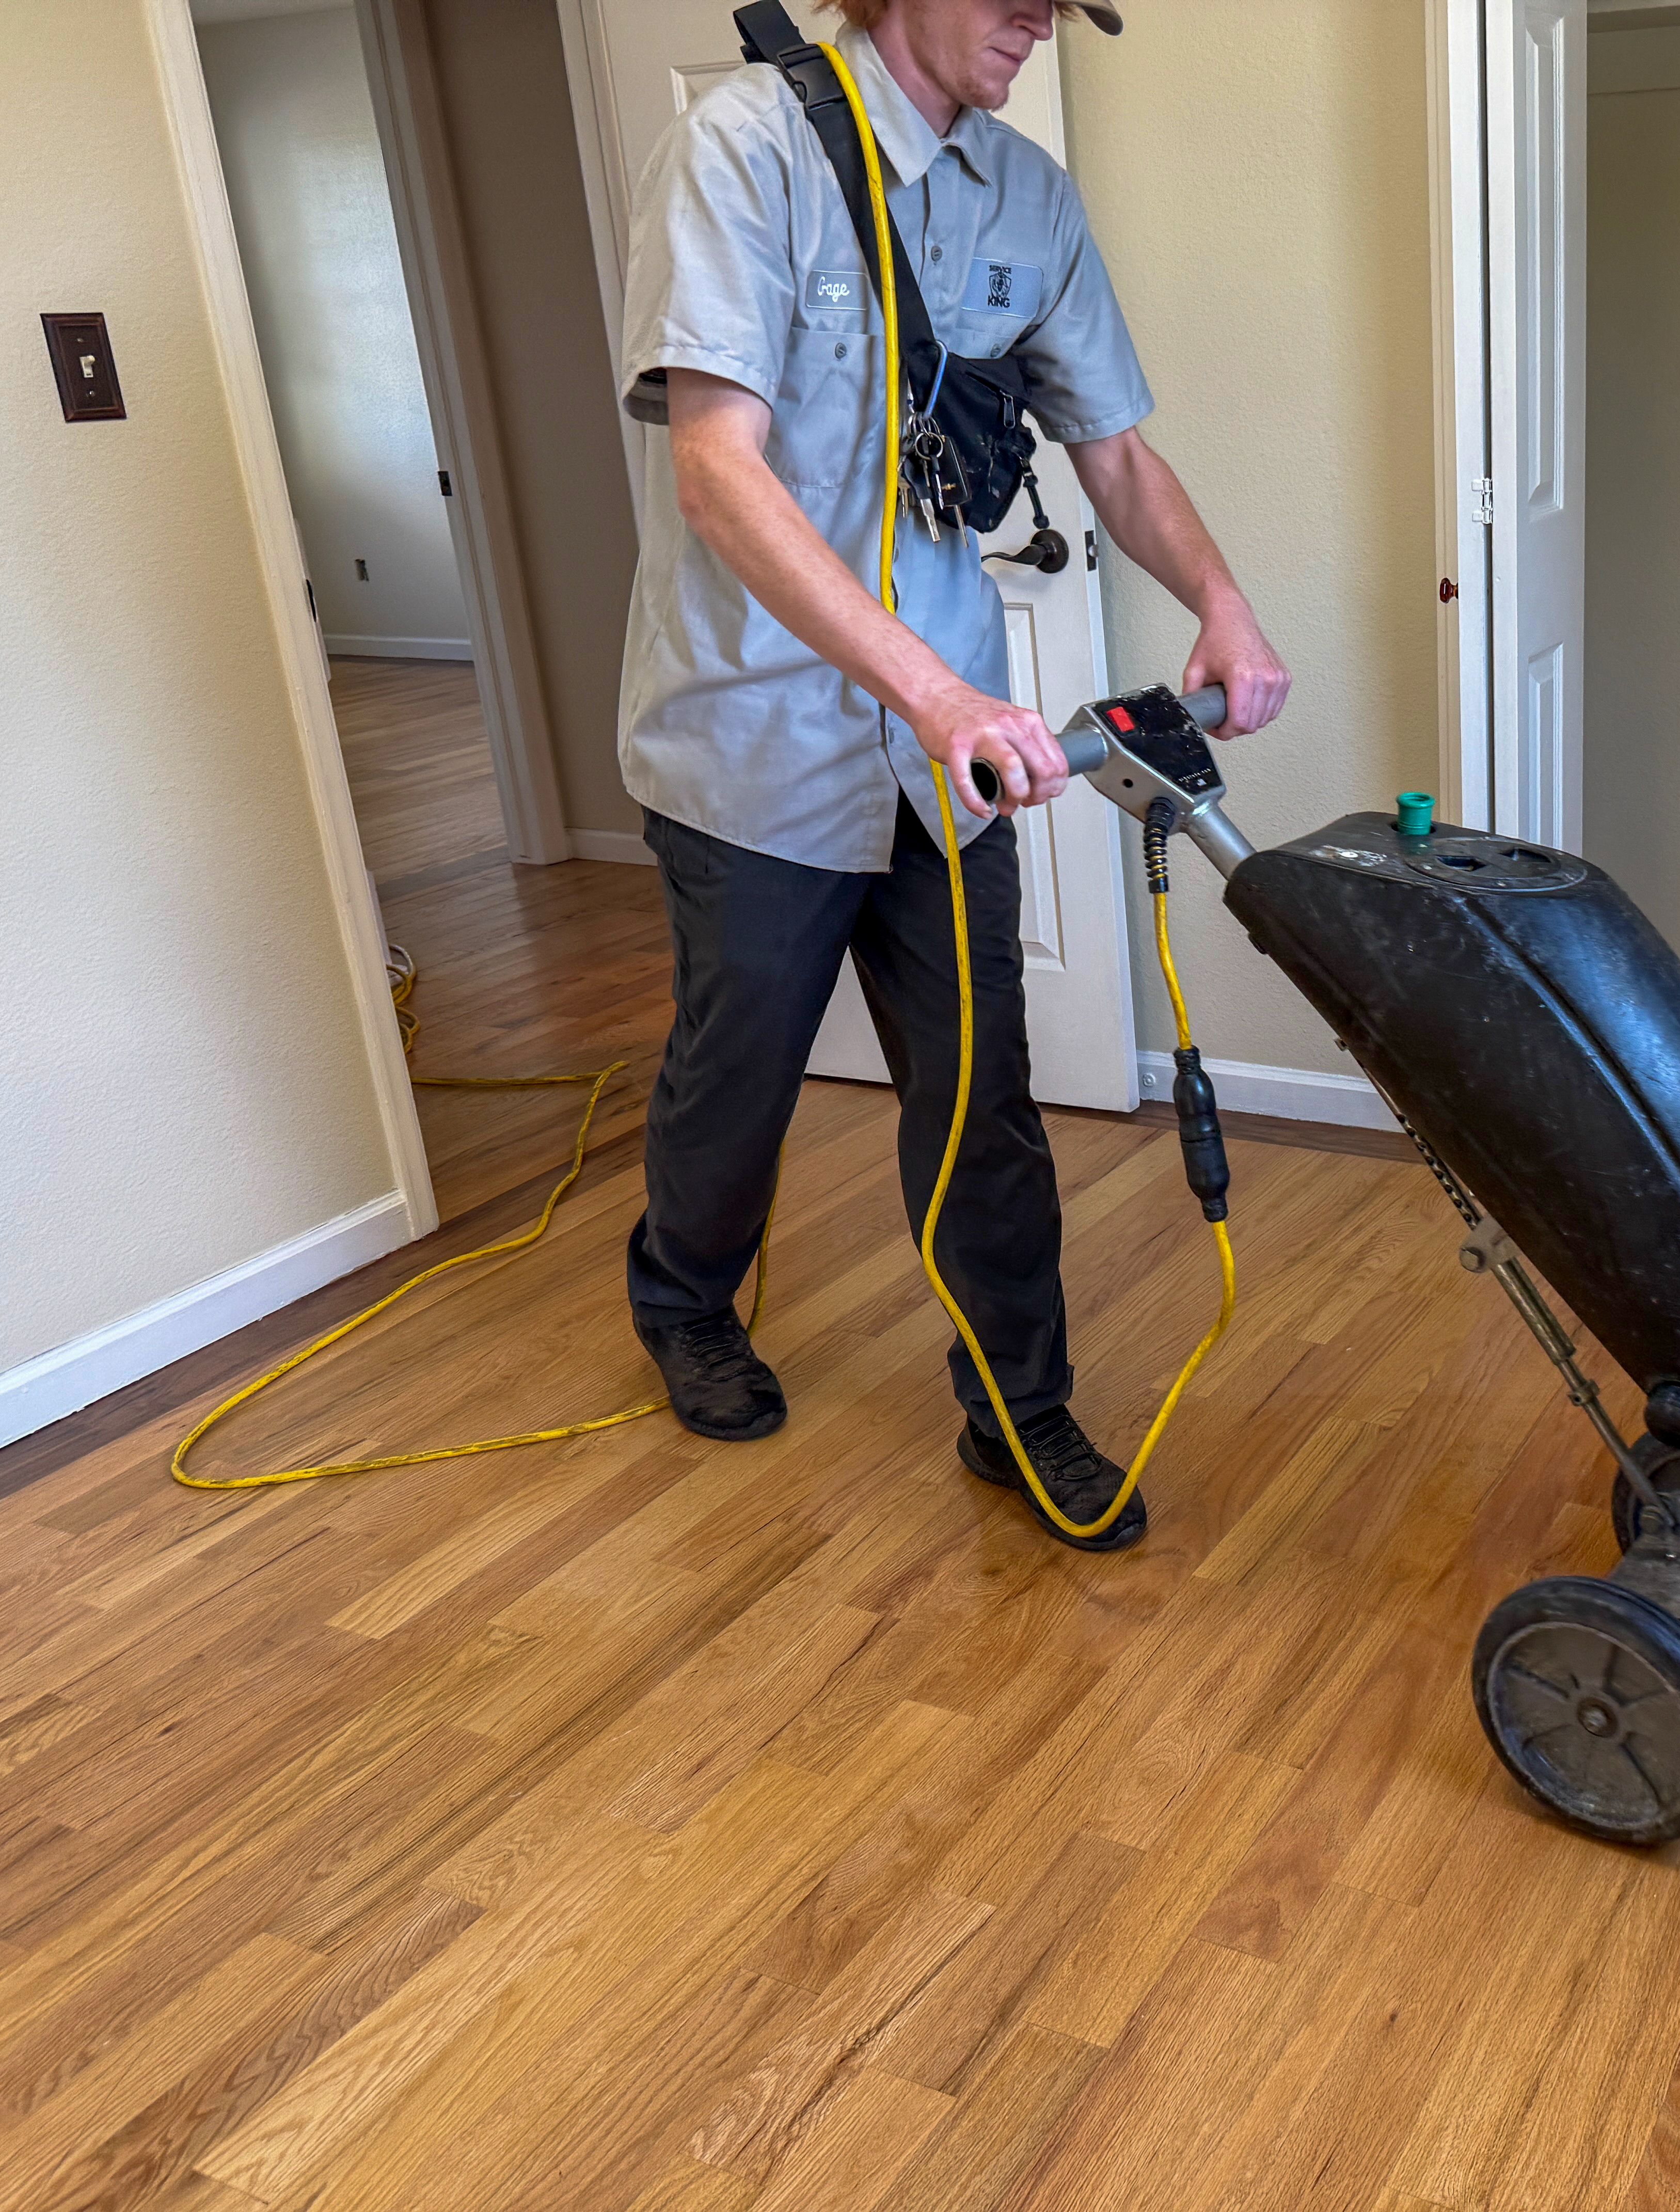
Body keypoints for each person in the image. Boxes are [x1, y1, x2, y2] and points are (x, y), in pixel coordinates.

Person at [612, 0, 1288, 1552]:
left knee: (985, 1097)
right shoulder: (745, 151)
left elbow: (1113, 451)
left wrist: (1222, 597)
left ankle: (1019, 1402)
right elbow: (717, 470)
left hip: (946, 766)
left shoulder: (1028, 197)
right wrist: (931, 688)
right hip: (754, 742)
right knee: (742, 1073)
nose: (1042, 19)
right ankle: (685, 1299)